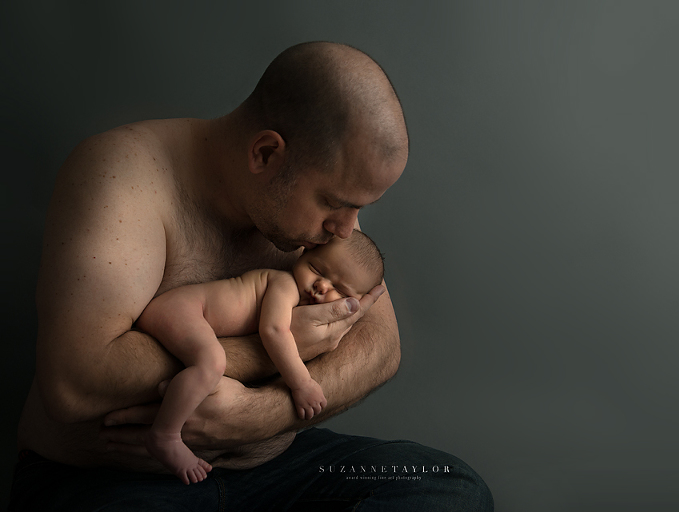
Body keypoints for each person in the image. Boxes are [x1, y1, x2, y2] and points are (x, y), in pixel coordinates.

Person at [11, 41, 494, 510]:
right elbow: (74, 382)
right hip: (113, 480)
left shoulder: (324, 213)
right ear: (265, 154)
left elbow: (382, 347)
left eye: (358, 208)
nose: (346, 229)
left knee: (452, 491)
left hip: (273, 471)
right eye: (336, 203)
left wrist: (258, 418)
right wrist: (273, 349)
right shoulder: (123, 175)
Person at [136, 231, 384, 484]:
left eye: (339, 290)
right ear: (303, 254)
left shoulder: (300, 302)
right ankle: (165, 435)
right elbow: (274, 331)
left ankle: (176, 396)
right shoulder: (284, 284)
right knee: (212, 363)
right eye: (316, 269)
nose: (322, 285)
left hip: (184, 312)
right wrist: (302, 383)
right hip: (182, 310)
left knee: (206, 369)